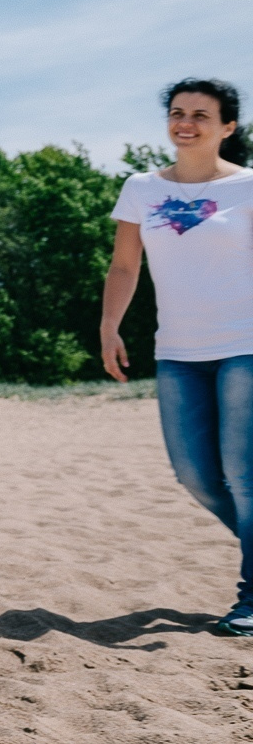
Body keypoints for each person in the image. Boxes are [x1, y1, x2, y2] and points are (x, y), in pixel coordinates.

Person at [102, 77, 253, 637]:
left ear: (228, 127)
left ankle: (251, 597)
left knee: (244, 474)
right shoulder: (140, 188)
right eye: (177, 112)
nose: (185, 123)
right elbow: (124, 266)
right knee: (194, 475)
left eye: (201, 115)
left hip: (246, 344)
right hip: (179, 351)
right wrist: (109, 327)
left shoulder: (249, 188)